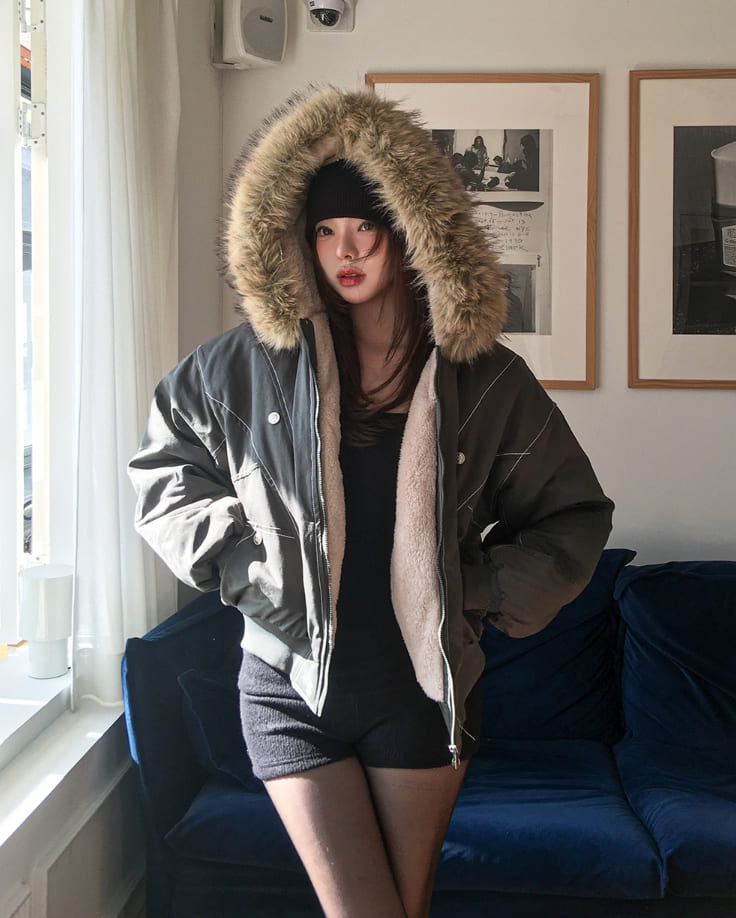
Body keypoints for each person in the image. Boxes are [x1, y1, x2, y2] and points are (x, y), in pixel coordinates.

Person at [128, 86, 613, 918]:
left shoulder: (484, 378)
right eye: (324, 230)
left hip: (422, 694)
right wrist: (245, 562)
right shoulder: (241, 365)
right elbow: (163, 472)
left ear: (409, 233)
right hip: (288, 688)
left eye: (364, 227)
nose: (344, 250)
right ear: (297, 239)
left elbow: (574, 515)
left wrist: (477, 588)